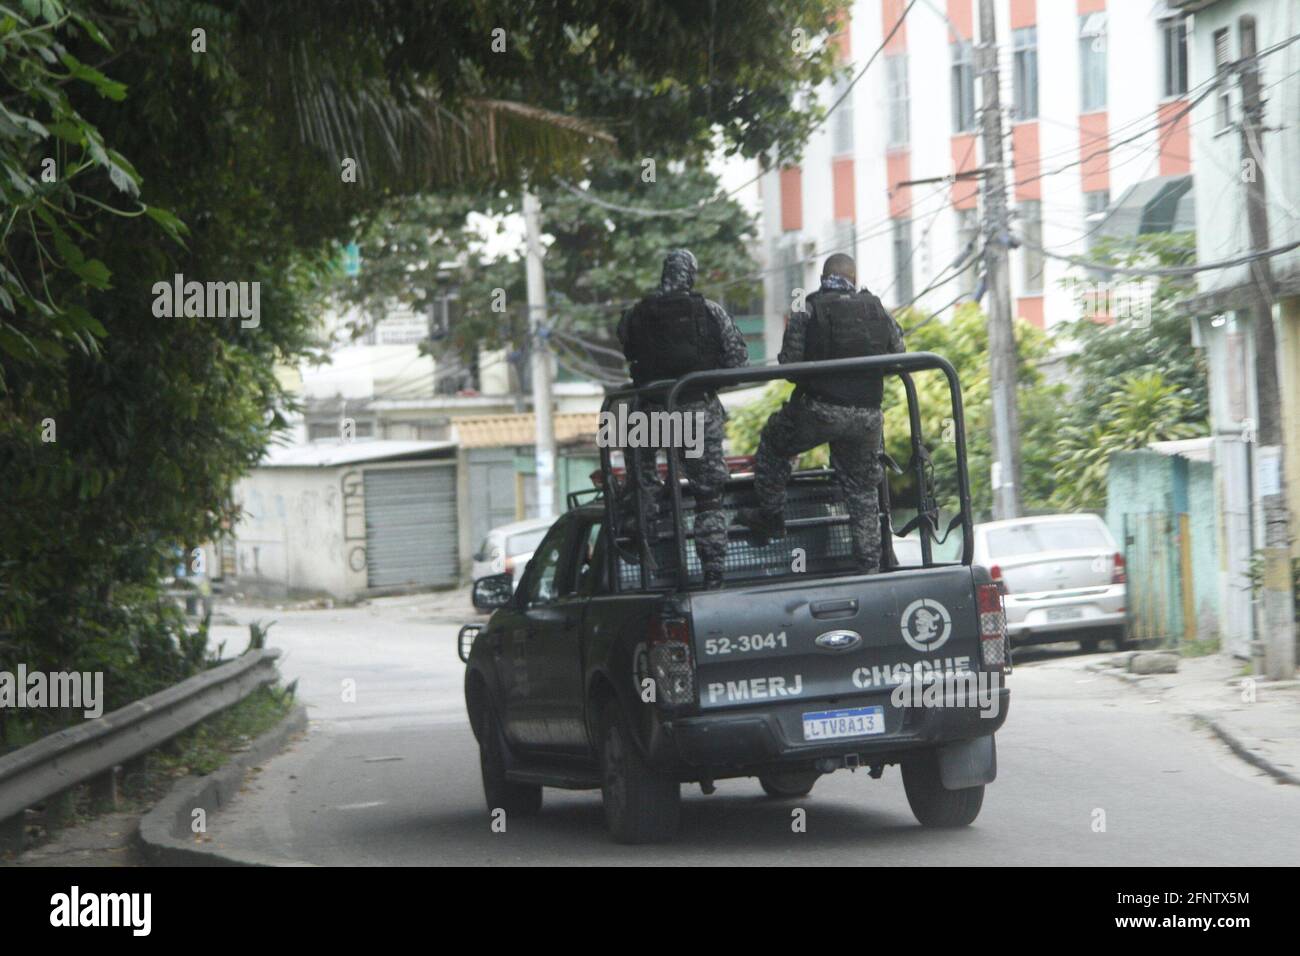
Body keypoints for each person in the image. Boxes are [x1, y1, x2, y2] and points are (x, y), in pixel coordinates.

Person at [736, 254, 905, 573]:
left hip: (819, 410)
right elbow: (898, 353)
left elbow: (789, 365)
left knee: (774, 443)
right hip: (868, 415)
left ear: (823, 277)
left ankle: (770, 517)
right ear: (853, 277)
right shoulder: (875, 308)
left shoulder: (807, 308)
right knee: (861, 487)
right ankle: (870, 564)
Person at [615, 249, 750, 588]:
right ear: (691, 274)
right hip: (695, 413)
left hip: (647, 413)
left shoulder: (634, 314)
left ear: (664, 274)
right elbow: (737, 360)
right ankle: (714, 573)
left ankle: (641, 546)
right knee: (708, 496)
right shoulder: (709, 311)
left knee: (641, 483)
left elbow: (629, 353)